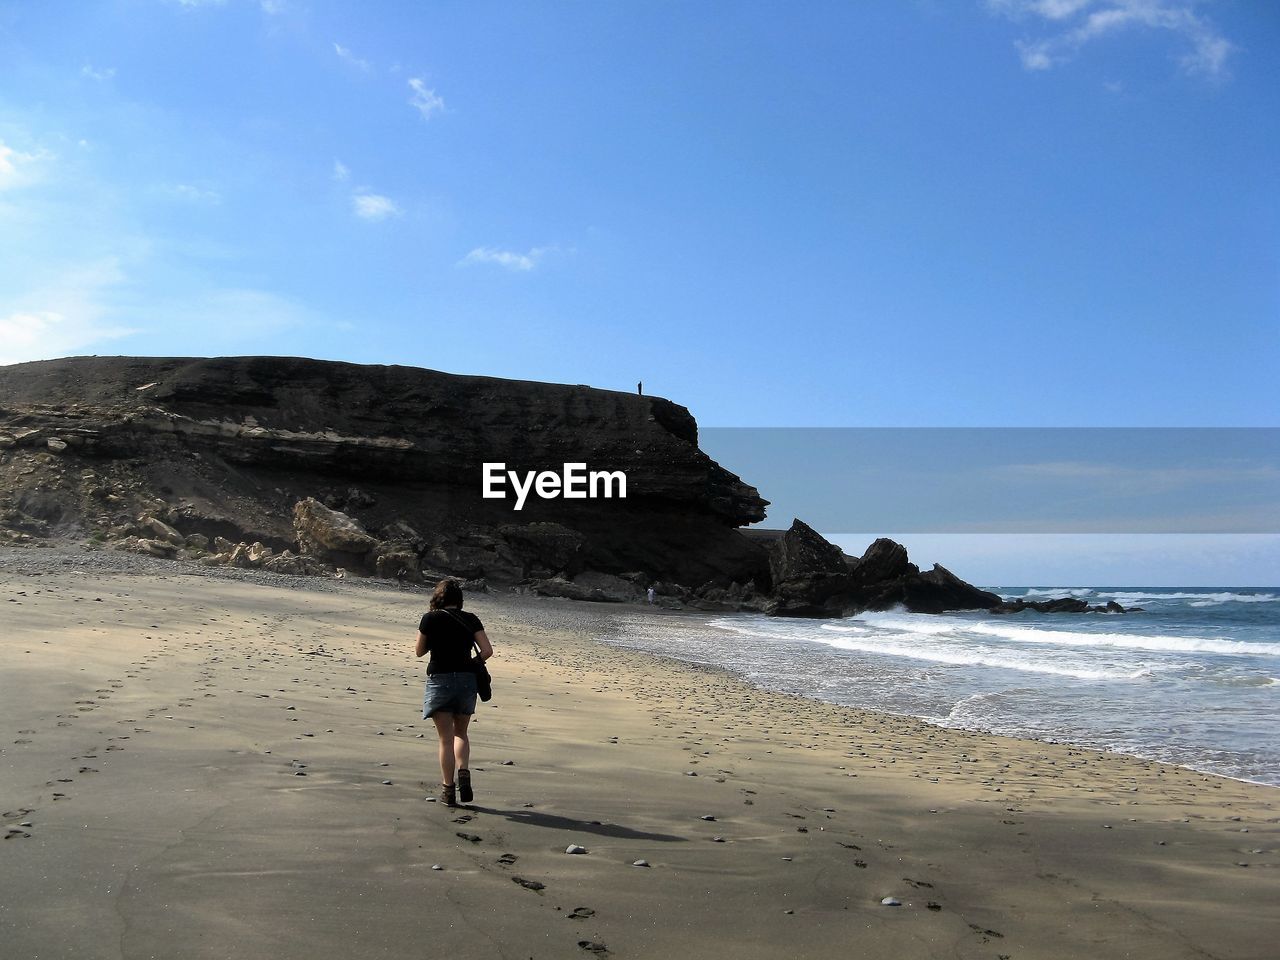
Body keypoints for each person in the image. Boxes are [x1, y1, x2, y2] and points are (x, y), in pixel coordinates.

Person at [415, 579, 493, 807]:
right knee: (461, 733)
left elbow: (419, 651)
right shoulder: (470, 619)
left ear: (438, 598)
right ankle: (464, 773)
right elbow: (487, 651)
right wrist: (470, 662)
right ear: (459, 599)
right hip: (467, 681)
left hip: (440, 679)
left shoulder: (430, 618)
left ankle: (448, 791)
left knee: (445, 740)